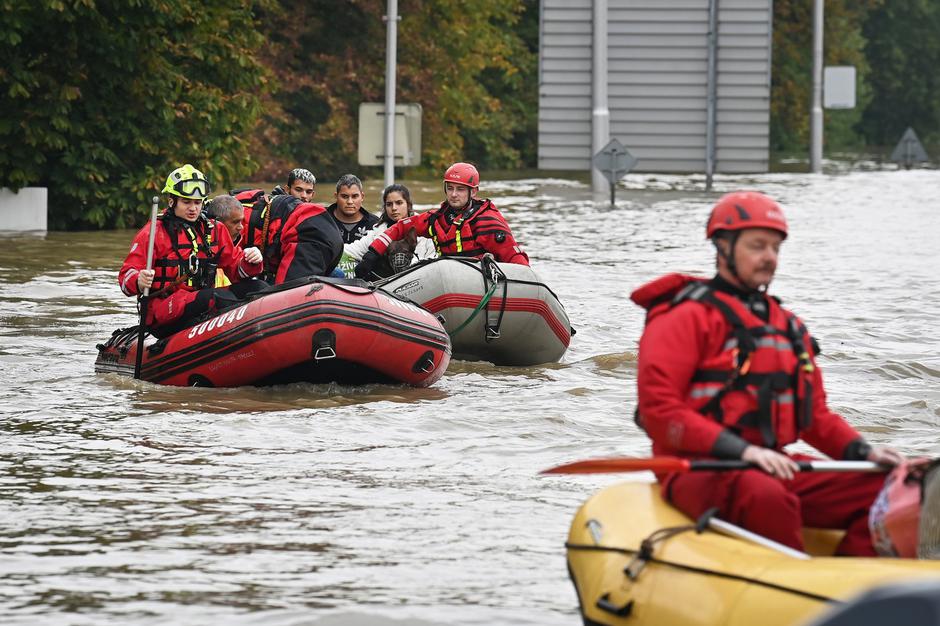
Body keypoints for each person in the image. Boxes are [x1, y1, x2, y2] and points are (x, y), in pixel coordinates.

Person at [630, 190, 904, 556]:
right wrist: (743, 451)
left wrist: (864, 451)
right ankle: (796, 589)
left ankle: (858, 588)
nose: (769, 258)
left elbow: (815, 418)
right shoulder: (684, 317)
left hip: (770, 463)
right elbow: (659, 411)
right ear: (723, 246)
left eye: (775, 248)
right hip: (699, 468)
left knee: (894, 492)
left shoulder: (788, 326)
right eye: (758, 246)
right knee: (766, 495)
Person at [118, 165, 265, 337]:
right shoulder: (152, 233)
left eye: (197, 202)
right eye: (186, 202)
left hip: (200, 300)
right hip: (164, 310)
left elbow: (235, 269)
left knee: (259, 286)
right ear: (172, 201)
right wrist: (138, 280)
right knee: (216, 298)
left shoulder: (215, 229)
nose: (193, 208)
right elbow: (125, 277)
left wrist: (251, 260)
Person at [354, 163, 528, 279]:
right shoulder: (436, 218)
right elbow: (399, 228)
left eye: (460, 189)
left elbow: (513, 256)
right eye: (450, 188)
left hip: (480, 282)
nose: (453, 194)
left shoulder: (487, 220)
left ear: (473, 192)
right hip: (450, 283)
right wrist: (372, 254)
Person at [339, 183, 436, 277]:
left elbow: (432, 260)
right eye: (389, 204)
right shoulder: (379, 231)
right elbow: (353, 250)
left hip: (419, 279)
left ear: (408, 205)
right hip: (385, 284)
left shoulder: (424, 227)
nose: (394, 208)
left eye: (399, 203)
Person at [238, 168, 317, 252]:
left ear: (313, 194)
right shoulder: (277, 213)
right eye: (298, 190)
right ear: (287, 189)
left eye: (308, 192)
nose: (304, 196)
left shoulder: (313, 216)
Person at [204, 194, 246, 287]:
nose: (241, 227)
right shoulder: (205, 243)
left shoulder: (236, 242)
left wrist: (252, 260)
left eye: (241, 221)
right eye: (235, 222)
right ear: (217, 222)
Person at [328, 174, 378, 244]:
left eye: (354, 196)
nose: (350, 202)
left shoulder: (375, 225)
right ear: (336, 196)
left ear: (362, 197)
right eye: (344, 196)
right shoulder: (323, 219)